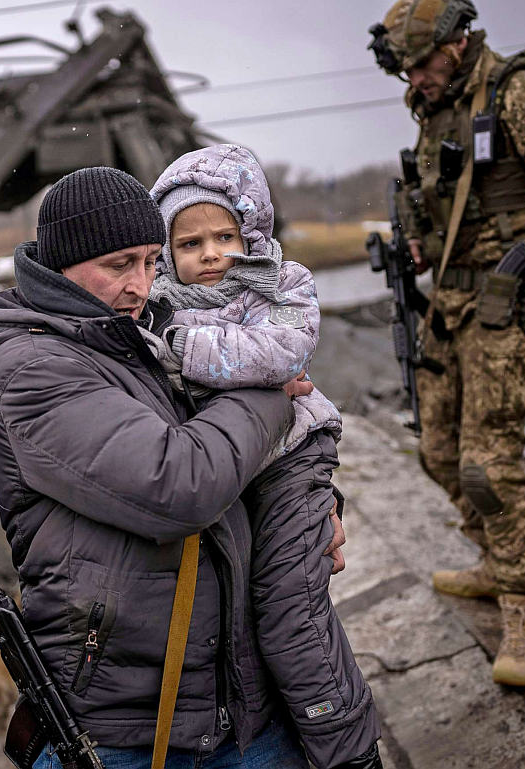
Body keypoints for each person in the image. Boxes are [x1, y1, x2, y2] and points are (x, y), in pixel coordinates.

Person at [0, 166, 324, 768]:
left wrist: (315, 508)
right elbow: (180, 484)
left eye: (153, 261)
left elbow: (239, 461)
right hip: (129, 720)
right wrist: (270, 385)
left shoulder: (134, 332)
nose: (141, 284)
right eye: (120, 264)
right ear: (62, 265)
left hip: (229, 696)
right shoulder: (32, 367)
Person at [141, 143, 381, 769]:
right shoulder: (157, 305)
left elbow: (279, 355)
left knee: (289, 611)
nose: (212, 254)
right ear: (167, 252)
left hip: (294, 457)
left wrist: (182, 349)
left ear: (251, 228)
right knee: (239, 618)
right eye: (190, 244)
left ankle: (348, 748)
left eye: (225, 235)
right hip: (232, 467)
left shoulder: (284, 284)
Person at [368, 0, 525, 686]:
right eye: (404, 68)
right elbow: (453, 205)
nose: (414, 79)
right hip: (454, 307)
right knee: (437, 448)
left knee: (487, 463)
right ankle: (497, 559)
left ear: (457, 46)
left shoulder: (524, 95)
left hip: (514, 307)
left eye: (422, 64)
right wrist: (420, 247)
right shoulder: (433, 108)